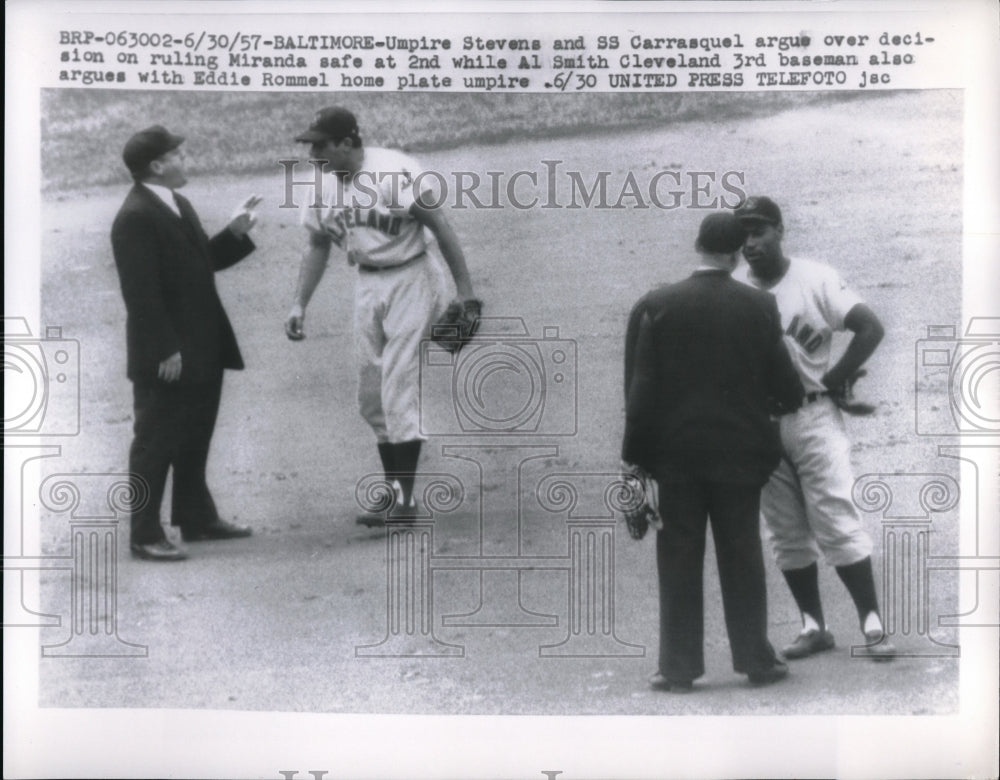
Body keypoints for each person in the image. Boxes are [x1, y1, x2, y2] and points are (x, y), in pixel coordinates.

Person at [622, 212, 805, 692]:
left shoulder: (656, 304)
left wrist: (634, 457)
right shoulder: (759, 306)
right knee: (742, 553)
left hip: (675, 458)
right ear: (735, 253)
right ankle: (756, 660)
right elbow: (786, 390)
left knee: (678, 556)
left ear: (698, 246)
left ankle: (678, 667)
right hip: (740, 456)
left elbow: (640, 393)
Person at [284, 106, 478, 524]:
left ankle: (404, 503)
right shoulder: (320, 185)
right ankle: (394, 493)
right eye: (310, 145)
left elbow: (440, 226)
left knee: (397, 387)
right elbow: (317, 244)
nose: (312, 153)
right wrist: (300, 302)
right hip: (368, 284)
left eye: (320, 145)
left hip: (414, 278)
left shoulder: (395, 171)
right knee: (372, 397)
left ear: (347, 143)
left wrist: (465, 293)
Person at [732, 195, 895, 661]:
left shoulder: (815, 278)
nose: (751, 243)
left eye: (759, 231)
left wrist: (836, 379)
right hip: (759, 425)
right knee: (784, 530)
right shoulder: (737, 288)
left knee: (835, 518)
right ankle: (813, 626)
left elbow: (870, 327)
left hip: (814, 416)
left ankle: (872, 623)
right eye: (743, 234)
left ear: (780, 231)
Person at [111, 125, 261, 561]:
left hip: (201, 344)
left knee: (195, 434)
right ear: (157, 166)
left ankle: (195, 517)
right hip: (168, 353)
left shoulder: (177, 203)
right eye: (178, 155)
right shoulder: (136, 216)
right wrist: (164, 349)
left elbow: (199, 265)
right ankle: (143, 533)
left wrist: (234, 233)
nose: (185, 160)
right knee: (155, 442)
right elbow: (140, 293)